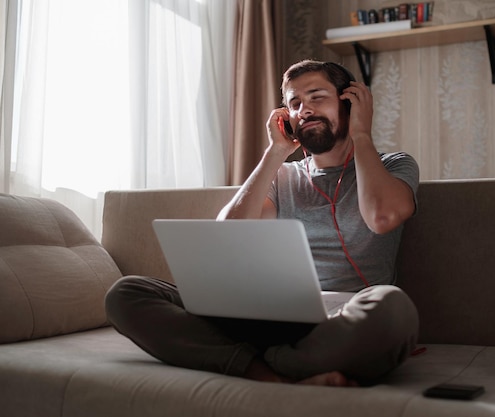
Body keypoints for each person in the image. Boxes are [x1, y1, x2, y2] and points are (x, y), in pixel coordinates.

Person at [105, 60, 420, 387]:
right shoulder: (282, 176)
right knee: (127, 293)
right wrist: (276, 151)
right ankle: (270, 371)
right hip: (270, 314)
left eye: (316, 97)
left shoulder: (394, 165)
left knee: (394, 309)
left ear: (349, 102)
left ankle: (264, 363)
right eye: (295, 104)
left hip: (341, 321)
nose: (305, 110)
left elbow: (381, 218)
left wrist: (361, 133)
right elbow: (229, 237)